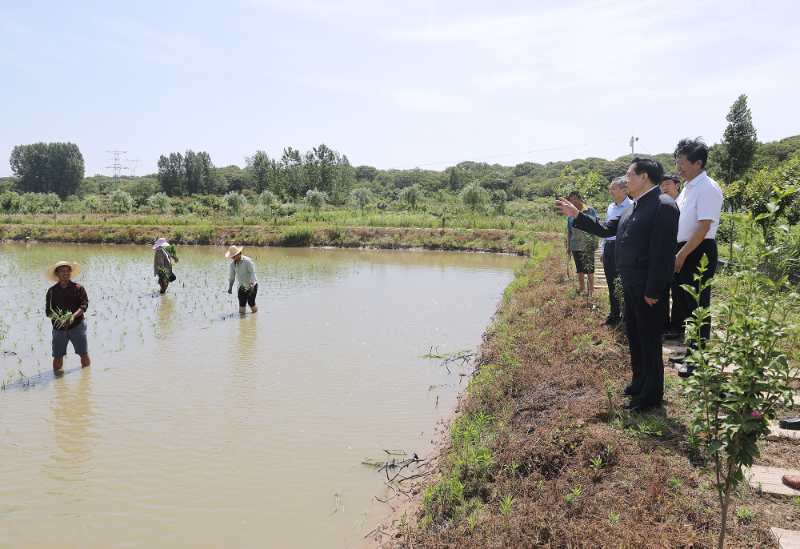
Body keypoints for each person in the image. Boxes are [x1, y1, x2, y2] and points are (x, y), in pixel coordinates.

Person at [555, 158, 679, 412]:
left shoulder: (663, 206)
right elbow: (607, 228)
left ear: (644, 176)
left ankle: (651, 395)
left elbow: (663, 254)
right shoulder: (634, 207)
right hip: (631, 284)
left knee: (649, 340)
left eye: (629, 175)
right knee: (634, 335)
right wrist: (578, 216)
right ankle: (639, 381)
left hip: (648, 288)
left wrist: (655, 290)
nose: (626, 179)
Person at [670, 139, 724, 377]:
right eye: (677, 162)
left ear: (698, 163)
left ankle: (699, 358)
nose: (678, 168)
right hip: (685, 248)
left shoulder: (708, 188)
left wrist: (682, 254)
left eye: (682, 163)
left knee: (698, 305)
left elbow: (703, 227)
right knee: (685, 304)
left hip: (698, 250)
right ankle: (691, 350)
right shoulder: (688, 187)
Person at [45, 261, 91, 373]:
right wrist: (60, 319)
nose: (65, 273)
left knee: (83, 354)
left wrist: (72, 317)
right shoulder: (51, 292)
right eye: (62, 271)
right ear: (57, 274)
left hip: (77, 326)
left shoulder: (79, 288)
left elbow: (84, 306)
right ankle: (58, 382)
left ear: (70, 273)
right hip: (59, 329)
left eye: (67, 271)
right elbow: (48, 311)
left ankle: (86, 376)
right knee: (57, 356)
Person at [600, 177, 633, 325]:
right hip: (609, 247)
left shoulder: (632, 206)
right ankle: (614, 314)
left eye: (614, 188)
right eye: (610, 189)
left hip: (624, 247)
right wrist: (602, 249)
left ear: (625, 190)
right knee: (610, 281)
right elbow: (606, 229)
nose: (610, 191)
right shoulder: (610, 207)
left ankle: (627, 315)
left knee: (625, 281)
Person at [565, 191, 598, 299]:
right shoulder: (570, 213)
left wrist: (594, 243)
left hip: (587, 244)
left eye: (575, 198)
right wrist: (569, 247)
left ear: (580, 199)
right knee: (579, 268)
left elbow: (595, 226)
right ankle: (582, 288)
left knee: (589, 268)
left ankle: (591, 290)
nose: (573, 201)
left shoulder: (590, 210)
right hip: (575, 244)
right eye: (571, 199)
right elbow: (569, 232)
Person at [659, 175, 681, 333]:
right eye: (662, 185)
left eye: (667, 184)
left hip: (681, 248)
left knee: (679, 291)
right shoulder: (660, 205)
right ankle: (665, 324)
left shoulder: (682, 202)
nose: (664, 188)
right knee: (663, 288)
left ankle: (677, 326)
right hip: (664, 251)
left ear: (677, 185)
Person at [226, 245, 258, 314]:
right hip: (242, 286)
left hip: (252, 285)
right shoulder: (232, 265)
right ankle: (242, 321)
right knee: (241, 304)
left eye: (234, 256)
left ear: (239, 254)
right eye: (232, 257)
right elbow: (232, 277)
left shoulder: (247, 261)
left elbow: (252, 272)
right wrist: (230, 287)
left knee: (251, 302)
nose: (232, 258)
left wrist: (252, 284)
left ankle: (255, 316)